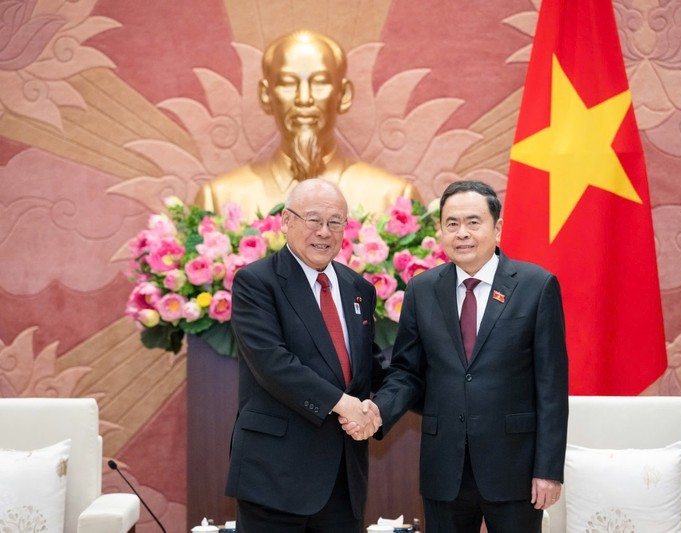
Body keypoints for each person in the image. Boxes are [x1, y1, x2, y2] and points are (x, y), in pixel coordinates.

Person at [344, 180, 569, 532]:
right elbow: (407, 372)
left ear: (497, 228)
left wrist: (548, 470)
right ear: (441, 232)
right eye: (452, 224)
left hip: (514, 468)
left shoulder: (536, 286)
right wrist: (378, 410)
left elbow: (552, 388)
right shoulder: (422, 289)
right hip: (444, 468)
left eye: (473, 222)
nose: (462, 233)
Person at [226, 178, 384, 532]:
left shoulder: (359, 288)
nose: (324, 232)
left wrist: (384, 406)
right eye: (313, 220)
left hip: (343, 480)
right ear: (286, 221)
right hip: (274, 477)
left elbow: (368, 367)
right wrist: (346, 405)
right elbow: (273, 364)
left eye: (335, 222)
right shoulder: (256, 282)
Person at [196, 30, 420, 220]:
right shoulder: (218, 200)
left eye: (320, 83)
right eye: (287, 83)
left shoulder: (394, 199)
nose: (304, 99)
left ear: (343, 95)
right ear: (266, 95)